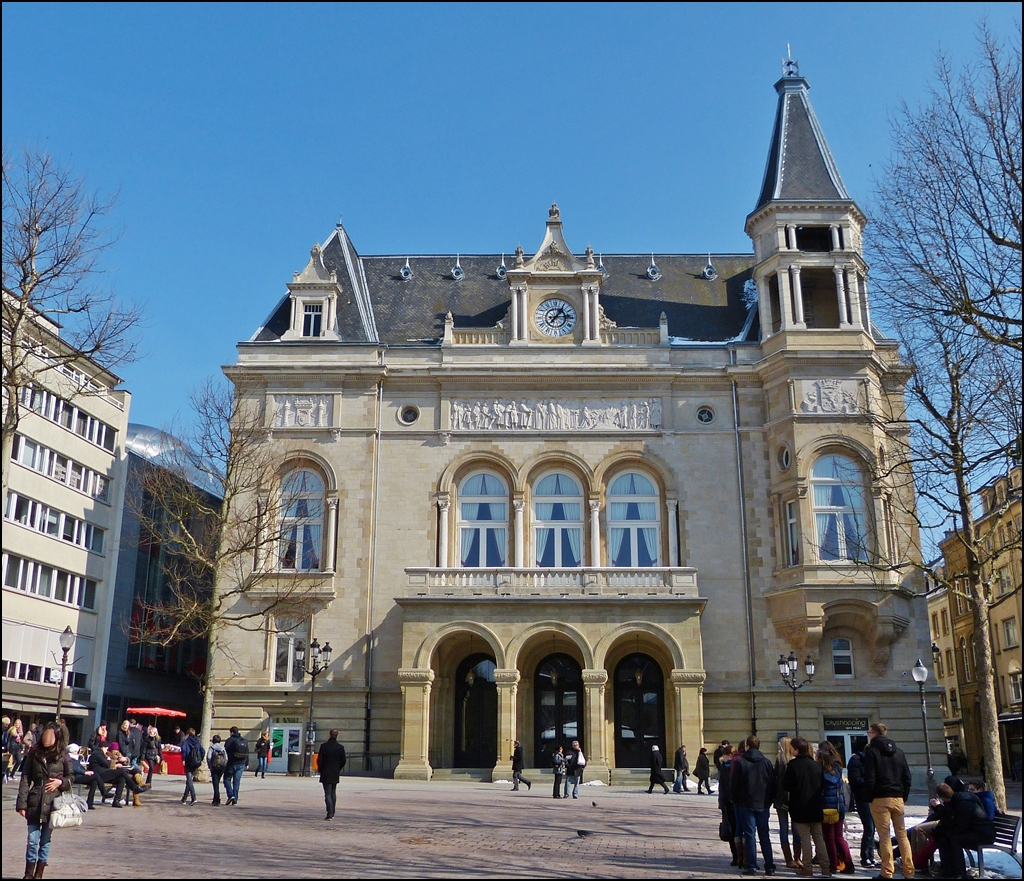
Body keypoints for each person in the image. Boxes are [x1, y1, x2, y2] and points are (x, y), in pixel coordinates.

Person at [16, 722, 73, 879]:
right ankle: (28, 873)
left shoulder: (62, 755)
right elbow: (26, 778)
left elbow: (71, 777)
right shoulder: (35, 753)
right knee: (32, 839)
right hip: (35, 800)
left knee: (45, 840)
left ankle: (39, 873)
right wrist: (22, 803)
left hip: (53, 803)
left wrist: (60, 782)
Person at [861, 721, 914, 881]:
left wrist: (869, 796)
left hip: (880, 797)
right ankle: (909, 871)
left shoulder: (872, 752)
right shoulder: (899, 752)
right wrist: (903, 795)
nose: (868, 735)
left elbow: (870, 777)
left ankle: (887, 871)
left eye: (869, 732)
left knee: (884, 836)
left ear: (875, 734)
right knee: (902, 835)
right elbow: (907, 777)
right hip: (897, 797)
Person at [783, 736, 831, 878]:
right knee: (818, 838)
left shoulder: (792, 766)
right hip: (816, 806)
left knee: (805, 839)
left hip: (800, 807)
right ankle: (826, 868)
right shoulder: (816, 765)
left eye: (792, 747)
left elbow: (786, 786)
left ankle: (807, 867)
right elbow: (823, 785)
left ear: (796, 749)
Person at [730, 734, 777, 876]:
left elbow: (734, 784)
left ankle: (752, 866)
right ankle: (769, 866)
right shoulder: (767, 762)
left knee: (750, 835)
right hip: (763, 803)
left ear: (747, 746)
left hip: (746, 803)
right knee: (764, 835)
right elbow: (773, 784)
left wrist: (737, 801)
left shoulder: (741, 762)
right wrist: (769, 800)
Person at [931, 780, 996, 879]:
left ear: (943, 798)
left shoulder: (963, 803)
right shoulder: (956, 800)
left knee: (955, 840)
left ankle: (960, 873)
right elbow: (949, 816)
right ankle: (948, 870)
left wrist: (949, 832)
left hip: (984, 835)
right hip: (974, 831)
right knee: (943, 837)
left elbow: (961, 826)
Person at [818, 741, 855, 874]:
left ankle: (833, 865)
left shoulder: (821, 770)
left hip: (826, 807)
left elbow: (820, 790)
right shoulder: (838, 767)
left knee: (828, 838)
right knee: (839, 837)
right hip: (839, 806)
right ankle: (849, 864)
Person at [846, 740, 876, 868]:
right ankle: (865, 857)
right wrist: (871, 782)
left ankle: (871, 856)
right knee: (869, 827)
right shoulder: (856, 760)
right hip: (862, 797)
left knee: (873, 828)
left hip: (874, 798)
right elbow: (855, 780)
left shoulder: (872, 761)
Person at [774, 736, 803, 870]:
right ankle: (795, 858)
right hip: (791, 800)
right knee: (793, 830)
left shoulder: (781, 762)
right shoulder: (789, 762)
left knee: (786, 829)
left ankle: (791, 858)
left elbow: (776, 781)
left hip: (782, 799)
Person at [718, 744, 741, 868]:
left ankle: (737, 857)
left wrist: (723, 802)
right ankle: (739, 856)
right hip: (732, 802)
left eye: (725, 755)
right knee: (736, 829)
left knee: (733, 830)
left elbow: (724, 786)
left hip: (729, 802)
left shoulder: (730, 766)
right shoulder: (729, 766)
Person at [316, 728, 346, 820]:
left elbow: (319, 760)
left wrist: (320, 769)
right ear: (337, 736)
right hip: (335, 772)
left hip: (325, 772)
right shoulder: (340, 747)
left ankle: (330, 812)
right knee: (333, 792)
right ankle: (332, 812)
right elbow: (343, 760)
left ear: (329, 735)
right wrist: (338, 768)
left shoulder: (324, 746)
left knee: (327, 793)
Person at [68, 743, 107, 810]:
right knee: (95, 775)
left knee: (94, 782)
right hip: (75, 777)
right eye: (75, 751)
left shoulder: (75, 758)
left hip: (79, 775)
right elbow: (74, 769)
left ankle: (90, 803)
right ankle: (104, 793)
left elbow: (79, 767)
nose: (77, 753)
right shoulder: (70, 758)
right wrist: (85, 772)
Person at [223, 725, 249, 805]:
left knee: (226, 779)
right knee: (236, 782)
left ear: (231, 732)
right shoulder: (244, 740)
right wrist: (247, 763)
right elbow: (247, 752)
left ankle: (230, 795)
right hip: (241, 763)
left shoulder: (229, 740)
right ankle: (235, 801)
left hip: (232, 762)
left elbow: (225, 752)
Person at [180, 728, 204, 806]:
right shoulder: (197, 742)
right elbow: (203, 751)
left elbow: (184, 750)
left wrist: (183, 759)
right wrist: (200, 759)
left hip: (188, 762)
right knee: (189, 780)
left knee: (189, 780)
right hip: (196, 762)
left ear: (188, 734)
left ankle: (194, 797)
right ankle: (184, 798)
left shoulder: (186, 742)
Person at [207, 734, 228, 805]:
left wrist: (210, 766)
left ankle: (217, 799)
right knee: (217, 782)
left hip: (214, 767)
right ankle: (215, 799)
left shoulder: (212, 748)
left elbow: (209, 757)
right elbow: (226, 758)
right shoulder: (223, 748)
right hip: (222, 767)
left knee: (215, 784)